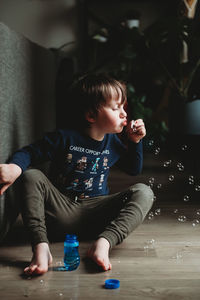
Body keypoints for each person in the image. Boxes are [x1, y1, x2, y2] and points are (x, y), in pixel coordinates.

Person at [0, 73, 154, 275]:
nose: (124, 113)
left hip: (98, 216)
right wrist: (15, 168)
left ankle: (104, 243)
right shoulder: (64, 138)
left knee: (144, 191)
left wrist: (135, 142)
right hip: (60, 212)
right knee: (31, 176)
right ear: (91, 116)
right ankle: (41, 248)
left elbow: (134, 169)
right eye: (116, 108)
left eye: (123, 107)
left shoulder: (113, 143)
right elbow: (29, 152)